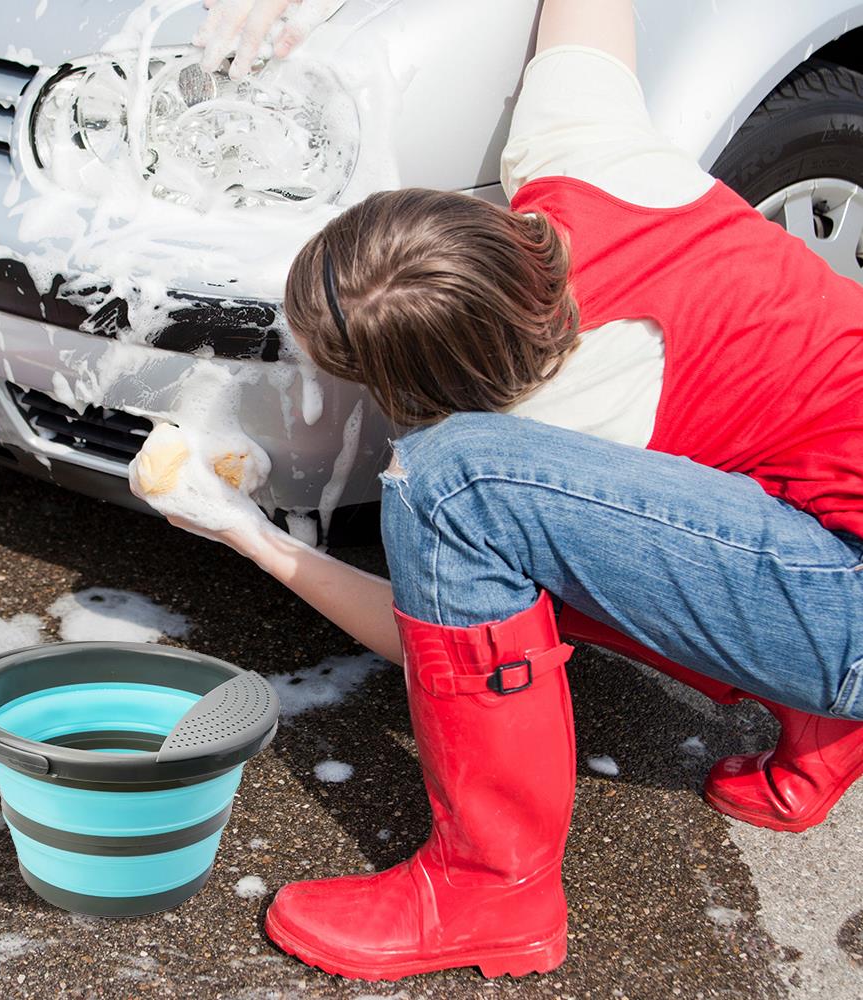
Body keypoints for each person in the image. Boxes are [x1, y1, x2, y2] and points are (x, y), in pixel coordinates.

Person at [156, 0, 863, 981]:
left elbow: (426, 644)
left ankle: (493, 891)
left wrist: (245, 531)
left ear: (422, 388)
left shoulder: (545, 431)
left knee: (450, 498)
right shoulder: (581, 152)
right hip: (838, 515)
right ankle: (823, 718)